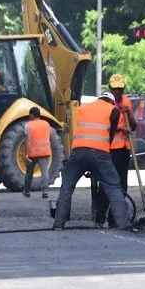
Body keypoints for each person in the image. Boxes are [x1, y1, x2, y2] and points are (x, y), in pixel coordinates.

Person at [52, 92, 130, 230]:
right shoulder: (113, 110)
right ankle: (123, 224)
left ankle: (58, 224)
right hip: (100, 152)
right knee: (113, 187)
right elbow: (110, 135)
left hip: (78, 151)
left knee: (66, 187)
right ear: (111, 102)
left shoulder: (84, 108)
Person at [94, 73, 137, 226]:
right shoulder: (105, 103)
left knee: (121, 184)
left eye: (120, 89)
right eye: (115, 89)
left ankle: (115, 218)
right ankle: (99, 218)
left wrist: (129, 114)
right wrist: (121, 127)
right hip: (109, 149)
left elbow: (134, 125)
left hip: (123, 149)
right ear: (110, 88)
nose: (118, 92)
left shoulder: (126, 102)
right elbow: (104, 125)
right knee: (106, 184)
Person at [22, 107, 54, 199]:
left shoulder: (28, 125)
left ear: (32, 114)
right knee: (45, 173)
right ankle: (45, 192)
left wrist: (27, 154)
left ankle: (27, 191)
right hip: (45, 152)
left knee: (29, 173)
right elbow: (50, 137)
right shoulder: (46, 124)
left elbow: (28, 140)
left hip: (33, 153)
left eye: (30, 114)